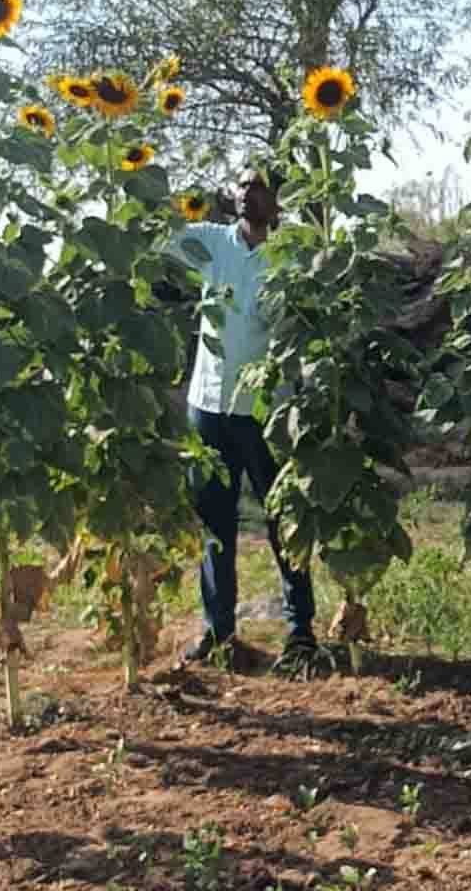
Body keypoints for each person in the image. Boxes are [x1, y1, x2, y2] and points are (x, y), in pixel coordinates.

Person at [178, 165, 317, 666]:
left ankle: (300, 632)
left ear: (277, 200)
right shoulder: (210, 242)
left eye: (257, 186)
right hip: (208, 406)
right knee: (215, 524)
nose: (245, 193)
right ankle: (218, 631)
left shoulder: (290, 257)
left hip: (264, 410)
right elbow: (154, 237)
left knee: (284, 519)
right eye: (241, 185)